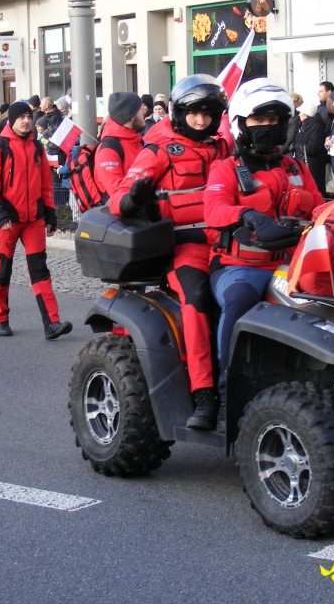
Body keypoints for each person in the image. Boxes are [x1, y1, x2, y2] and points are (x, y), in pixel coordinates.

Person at [109, 74, 232, 430]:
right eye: (194, 113)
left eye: (208, 114)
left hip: (228, 242)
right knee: (197, 298)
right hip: (185, 247)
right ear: (180, 113)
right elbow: (119, 196)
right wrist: (134, 198)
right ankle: (205, 392)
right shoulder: (159, 149)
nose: (200, 121)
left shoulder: (223, 148)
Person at [204, 79, 323, 429]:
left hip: (291, 264)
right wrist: (246, 214)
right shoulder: (226, 168)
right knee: (239, 299)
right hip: (239, 266)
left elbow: (318, 208)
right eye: (258, 121)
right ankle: (226, 392)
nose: (267, 128)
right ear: (241, 124)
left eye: (273, 121)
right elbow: (213, 209)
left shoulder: (296, 169)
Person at [0, 101, 72, 340]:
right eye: (21, 117)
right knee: (3, 271)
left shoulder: (37, 148)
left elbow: (45, 185)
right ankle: (0, 317)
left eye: (28, 117)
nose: (26, 121)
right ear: (11, 120)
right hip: (8, 220)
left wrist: (50, 214)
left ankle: (52, 323)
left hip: (33, 221)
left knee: (40, 270)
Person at [93, 91, 146, 200]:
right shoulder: (108, 149)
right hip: (124, 215)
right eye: (140, 109)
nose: (144, 112)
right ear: (131, 115)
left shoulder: (137, 141)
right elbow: (117, 194)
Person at [291, 101, 330, 196]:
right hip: (304, 164)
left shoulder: (317, 127)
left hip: (313, 166)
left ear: (307, 114)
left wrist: (297, 146)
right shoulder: (302, 126)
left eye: (302, 112)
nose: (299, 114)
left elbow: (313, 148)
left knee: (315, 191)